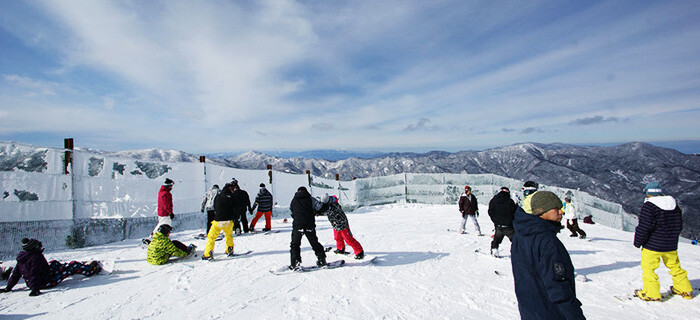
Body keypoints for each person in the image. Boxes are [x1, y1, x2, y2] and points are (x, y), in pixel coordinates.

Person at [511, 191, 586, 319]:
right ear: (542, 211)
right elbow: (558, 288)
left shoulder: (521, 234)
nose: (561, 212)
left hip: (529, 309)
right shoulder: (547, 241)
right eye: (556, 208)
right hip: (550, 312)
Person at [633, 181, 693, 301]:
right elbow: (678, 225)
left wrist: (638, 241)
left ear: (648, 193)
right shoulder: (674, 205)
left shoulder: (649, 206)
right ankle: (684, 289)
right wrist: (672, 238)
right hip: (670, 245)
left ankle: (651, 293)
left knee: (649, 269)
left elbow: (645, 227)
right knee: (675, 267)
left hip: (652, 245)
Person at [0, 238, 102, 297]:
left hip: (35, 281)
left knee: (54, 263)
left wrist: (8, 288)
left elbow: (16, 274)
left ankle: (76, 266)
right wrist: (35, 289)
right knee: (72, 266)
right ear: (35, 248)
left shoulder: (22, 258)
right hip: (46, 282)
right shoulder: (36, 257)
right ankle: (91, 269)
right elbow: (34, 273)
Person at [289, 186, 327, 270]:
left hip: (298, 226)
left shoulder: (294, 200)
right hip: (309, 225)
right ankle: (322, 259)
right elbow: (320, 207)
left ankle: (295, 263)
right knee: (314, 243)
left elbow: (292, 212)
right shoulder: (310, 199)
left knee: (295, 244)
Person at [318, 193, 365, 259]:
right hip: (335, 224)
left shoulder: (334, 206)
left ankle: (359, 251)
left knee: (348, 239)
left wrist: (319, 211)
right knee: (337, 237)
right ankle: (340, 249)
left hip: (343, 224)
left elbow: (328, 211)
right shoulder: (329, 204)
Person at [202, 182, 237, 260]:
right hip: (228, 221)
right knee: (229, 236)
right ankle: (230, 250)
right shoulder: (231, 197)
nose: (233, 190)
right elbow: (234, 208)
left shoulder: (218, 196)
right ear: (229, 189)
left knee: (211, 237)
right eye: (232, 189)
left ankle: (208, 254)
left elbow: (215, 206)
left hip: (218, 220)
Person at [488, 187, 517, 257]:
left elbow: (490, 212)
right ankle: (516, 252)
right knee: (515, 240)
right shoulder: (510, 201)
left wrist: (495, 220)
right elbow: (514, 213)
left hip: (498, 225)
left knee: (497, 239)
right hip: (508, 226)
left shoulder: (493, 200)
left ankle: (494, 250)